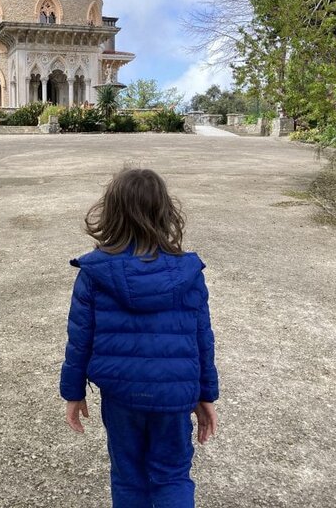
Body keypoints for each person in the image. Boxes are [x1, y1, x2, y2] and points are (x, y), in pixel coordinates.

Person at [60, 168, 219, 508]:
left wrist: (73, 393)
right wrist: (206, 395)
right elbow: (203, 340)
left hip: (121, 396)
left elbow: (79, 340)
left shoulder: (94, 274)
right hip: (176, 396)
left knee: (128, 476)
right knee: (172, 476)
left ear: (112, 214)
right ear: (165, 213)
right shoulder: (189, 273)